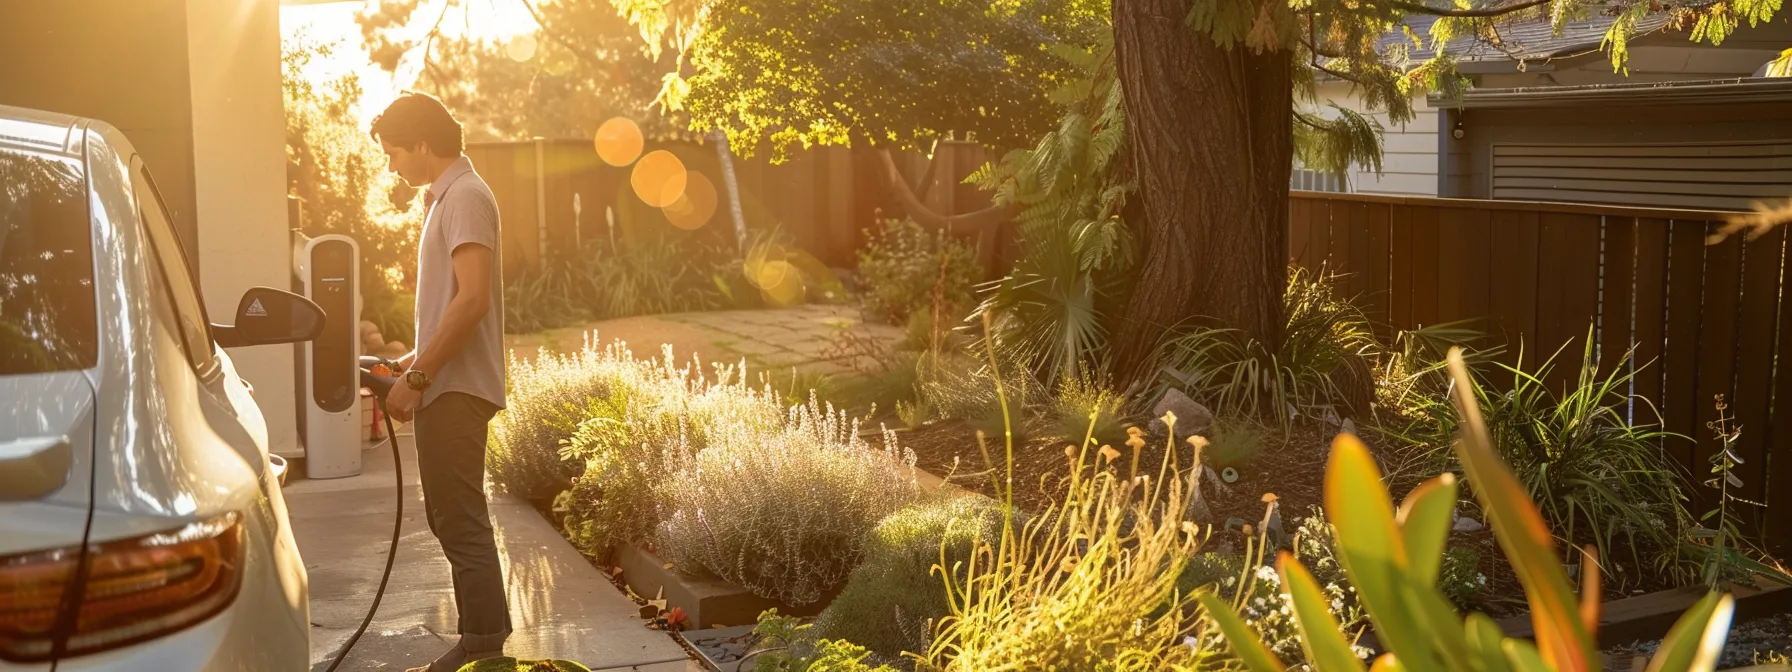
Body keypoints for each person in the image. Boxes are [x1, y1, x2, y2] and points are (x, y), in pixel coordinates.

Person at [370, 91, 509, 672]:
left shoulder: (467, 198)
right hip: (441, 383)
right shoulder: (447, 199)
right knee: (450, 514)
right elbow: (449, 306)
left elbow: (473, 300)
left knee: (459, 515)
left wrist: (419, 378)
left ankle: (482, 648)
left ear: (424, 145)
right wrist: (404, 367)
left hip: (455, 390)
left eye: (395, 153)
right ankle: (483, 640)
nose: (392, 166)